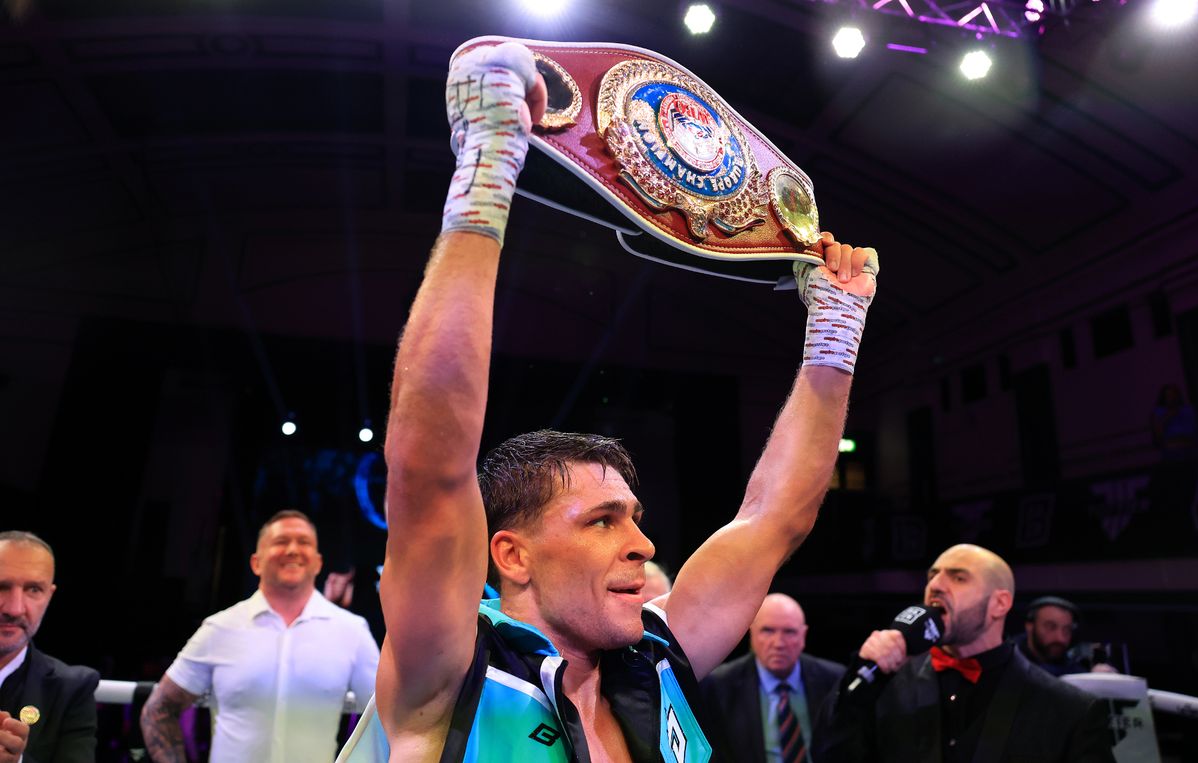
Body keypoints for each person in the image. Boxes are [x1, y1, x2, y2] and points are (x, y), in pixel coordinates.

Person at [336, 41, 880, 762]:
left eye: (633, 516)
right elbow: (430, 465)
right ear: (513, 554)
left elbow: (777, 517)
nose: (644, 544)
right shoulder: (448, 672)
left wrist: (836, 335)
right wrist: (489, 166)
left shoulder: (658, 654)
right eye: (602, 519)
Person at [811, 544, 1114, 762]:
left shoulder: (1069, 710)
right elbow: (829, 754)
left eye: (958, 577)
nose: (936, 585)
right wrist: (861, 680)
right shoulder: (884, 684)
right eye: (933, 575)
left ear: (1000, 604)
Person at [141, 510, 380, 763]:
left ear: (318, 562)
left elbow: (387, 719)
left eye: (304, 542)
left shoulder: (352, 630)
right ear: (256, 562)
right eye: (281, 541)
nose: (293, 550)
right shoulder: (220, 628)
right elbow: (159, 709)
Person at [700, 594, 845, 763]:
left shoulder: (833, 680)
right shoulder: (718, 686)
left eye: (789, 632)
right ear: (751, 633)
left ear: (803, 636)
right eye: (767, 631)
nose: (778, 643)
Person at [0, 531, 100, 763]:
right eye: (1, 586)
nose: (15, 609)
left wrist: (17, 761)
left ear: (49, 595)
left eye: (33, 589)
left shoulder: (72, 689)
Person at [1015, 596, 1118, 677]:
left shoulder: (1073, 670)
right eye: (1051, 627)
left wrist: (1093, 681)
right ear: (1030, 626)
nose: (1060, 638)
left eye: (1066, 630)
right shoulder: (1008, 663)